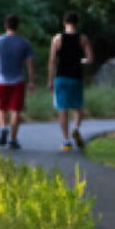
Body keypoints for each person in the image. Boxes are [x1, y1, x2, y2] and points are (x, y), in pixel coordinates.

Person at [48, 12, 94, 151]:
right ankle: (76, 128)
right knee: (78, 107)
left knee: (63, 109)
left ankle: (66, 140)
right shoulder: (82, 39)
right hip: (76, 77)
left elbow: (52, 61)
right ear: (77, 23)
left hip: (61, 77)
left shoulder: (57, 39)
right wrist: (81, 61)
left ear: (64, 22)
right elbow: (90, 59)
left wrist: (50, 80)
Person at [0, 14, 35, 150]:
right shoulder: (24, 43)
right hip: (18, 80)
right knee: (15, 110)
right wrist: (31, 81)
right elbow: (30, 64)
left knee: (1, 107)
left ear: (5, 26)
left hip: (2, 80)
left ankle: (3, 127)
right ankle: (13, 139)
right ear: (18, 26)